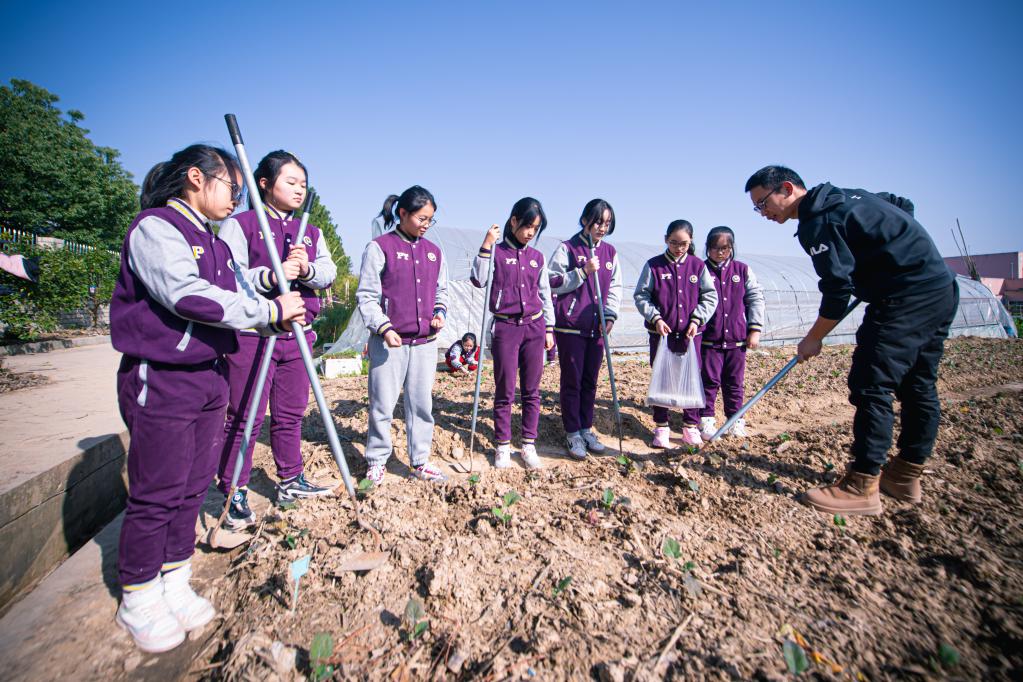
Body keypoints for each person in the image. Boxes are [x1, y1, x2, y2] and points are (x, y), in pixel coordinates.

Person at [109, 144, 305, 652]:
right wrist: (267, 313)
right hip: (166, 376)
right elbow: (185, 294)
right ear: (196, 178)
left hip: (210, 374)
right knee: (158, 488)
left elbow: (242, 287)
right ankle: (137, 591)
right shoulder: (157, 228)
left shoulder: (214, 241)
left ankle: (173, 578)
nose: (236, 198)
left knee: (193, 485)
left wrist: (275, 287)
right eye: (231, 187)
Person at [745, 165, 958, 516]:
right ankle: (905, 475)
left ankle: (862, 484)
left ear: (786, 189)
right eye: (757, 208)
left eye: (763, 203)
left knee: (871, 383)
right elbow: (901, 204)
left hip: (904, 297)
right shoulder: (847, 196)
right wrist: (889, 253)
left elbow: (837, 290)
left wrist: (813, 339)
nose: (763, 213)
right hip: (937, 286)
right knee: (918, 383)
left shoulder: (819, 221)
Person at [215, 151, 337, 528]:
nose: (299, 190)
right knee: (245, 416)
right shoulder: (242, 225)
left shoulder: (310, 232)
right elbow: (229, 277)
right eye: (290, 182)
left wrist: (307, 269)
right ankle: (234, 489)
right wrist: (271, 276)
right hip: (253, 334)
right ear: (264, 184)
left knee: (289, 414)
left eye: (303, 184)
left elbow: (329, 272)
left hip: (297, 334)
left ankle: (290, 479)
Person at [356, 185, 449, 484]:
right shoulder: (379, 247)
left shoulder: (435, 253)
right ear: (403, 213)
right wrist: (384, 327)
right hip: (389, 342)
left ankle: (419, 460)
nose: (426, 225)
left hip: (424, 344)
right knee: (382, 404)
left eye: (430, 220)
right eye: (421, 218)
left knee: (421, 405)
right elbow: (367, 296)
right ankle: (377, 460)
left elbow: (441, 291)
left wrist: (440, 313)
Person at [471, 198, 556, 468]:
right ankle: (503, 445)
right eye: (528, 226)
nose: (531, 233)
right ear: (514, 221)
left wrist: (549, 328)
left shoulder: (537, 258)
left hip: (534, 326)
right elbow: (479, 279)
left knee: (532, 390)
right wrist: (486, 244)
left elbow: (545, 294)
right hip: (505, 327)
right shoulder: (497, 252)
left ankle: (528, 444)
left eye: (536, 228)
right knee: (505, 389)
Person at [548, 198, 623, 459]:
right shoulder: (567, 249)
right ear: (584, 220)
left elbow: (614, 288)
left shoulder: (611, 253)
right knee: (572, 381)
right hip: (571, 328)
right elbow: (551, 281)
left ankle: (585, 427)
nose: (602, 227)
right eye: (598, 221)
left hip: (597, 328)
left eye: (607, 223)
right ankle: (572, 434)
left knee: (590, 381)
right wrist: (581, 273)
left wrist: (609, 316)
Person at [633, 220, 718, 447]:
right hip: (662, 335)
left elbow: (710, 296)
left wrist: (697, 319)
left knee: (691, 376)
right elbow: (642, 295)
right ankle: (661, 426)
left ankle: (690, 426)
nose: (678, 248)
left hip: (690, 335)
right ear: (665, 239)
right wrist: (656, 318)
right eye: (673, 242)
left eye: (684, 243)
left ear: (690, 242)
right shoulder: (654, 266)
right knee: (662, 377)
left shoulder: (698, 266)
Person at [698, 226, 765, 440]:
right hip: (709, 341)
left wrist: (754, 329)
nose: (719, 253)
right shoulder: (701, 269)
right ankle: (706, 420)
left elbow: (754, 298)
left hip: (737, 341)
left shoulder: (742, 270)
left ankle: (735, 420)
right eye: (715, 248)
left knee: (734, 383)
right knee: (709, 381)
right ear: (707, 248)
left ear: (731, 248)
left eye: (724, 248)